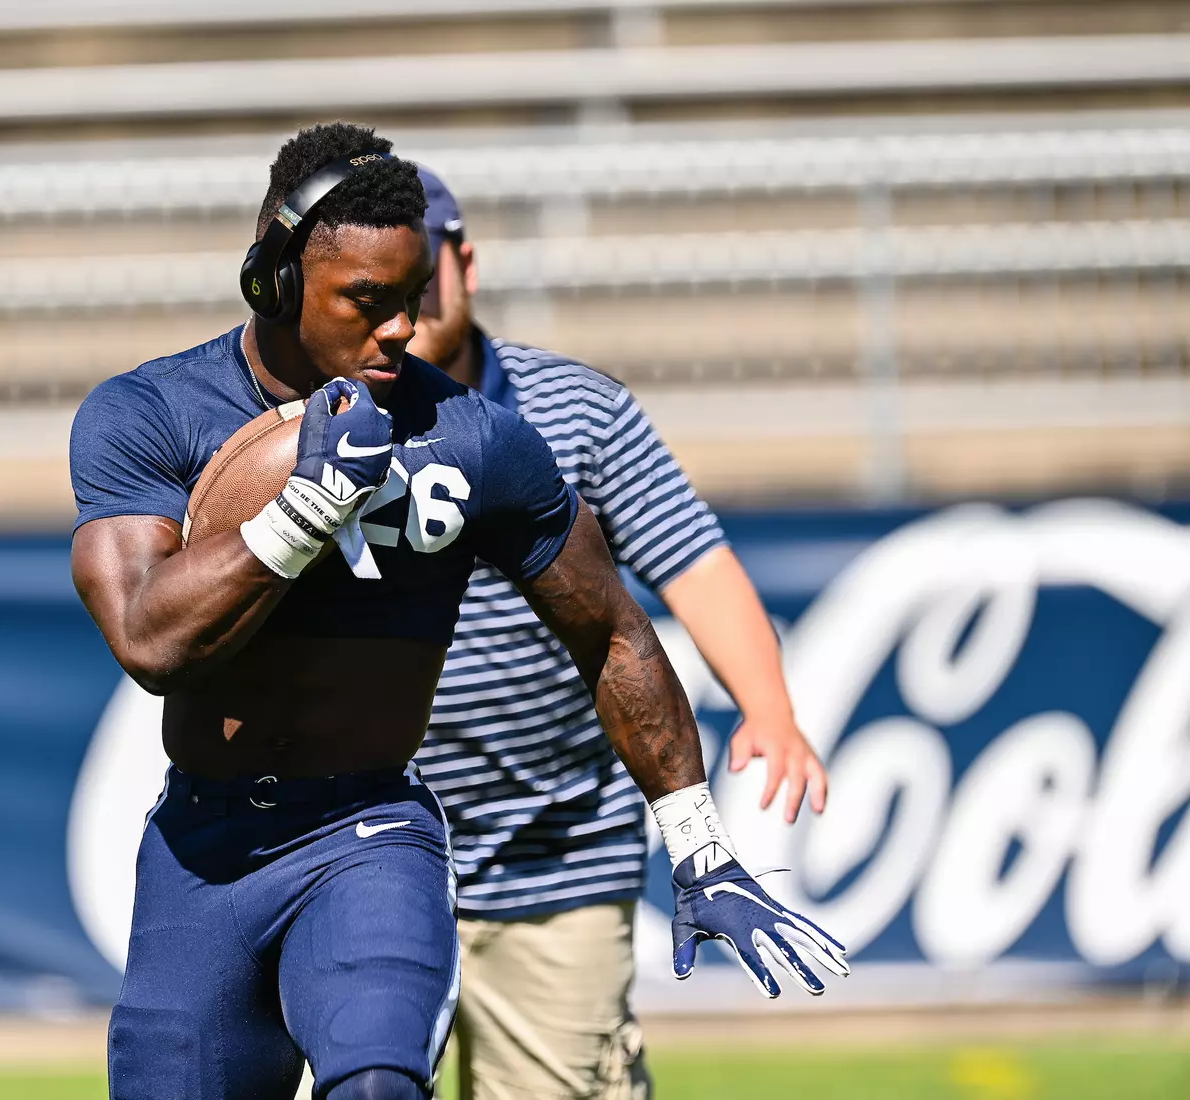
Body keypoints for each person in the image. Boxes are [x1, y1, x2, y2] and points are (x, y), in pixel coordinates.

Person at [68, 123, 847, 1100]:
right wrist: (307, 508)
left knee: (379, 1081)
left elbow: (609, 628)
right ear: (272, 277)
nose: (399, 329)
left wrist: (697, 837)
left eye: (410, 297)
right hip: (202, 849)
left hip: (368, 828)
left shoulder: (473, 435)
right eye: (366, 301)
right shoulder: (153, 412)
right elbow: (149, 636)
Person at [406, 166, 833, 1100]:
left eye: (418, 263)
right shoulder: (310, 422)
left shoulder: (577, 409)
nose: (401, 294)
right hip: (370, 852)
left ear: (463, 261)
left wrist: (768, 705)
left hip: (555, 847)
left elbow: (695, 562)